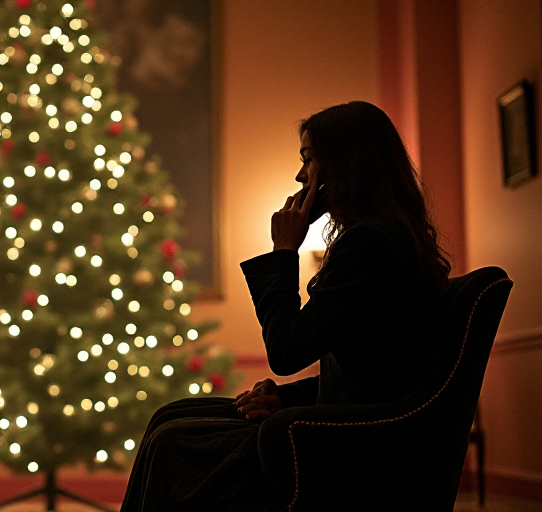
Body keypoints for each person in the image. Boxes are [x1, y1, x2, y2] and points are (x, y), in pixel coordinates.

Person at [119, 101, 451, 511]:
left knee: (173, 441)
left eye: (309, 160)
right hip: (347, 424)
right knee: (169, 416)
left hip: (350, 442)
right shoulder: (387, 235)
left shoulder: (371, 243)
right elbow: (366, 371)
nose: (300, 175)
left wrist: (283, 252)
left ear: (344, 164)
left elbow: (287, 350)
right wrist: (286, 398)